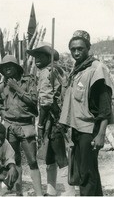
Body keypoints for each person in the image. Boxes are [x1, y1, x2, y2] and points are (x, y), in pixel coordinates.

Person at [59, 30, 114, 196]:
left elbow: (105, 106)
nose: (76, 52)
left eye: (80, 49)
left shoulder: (96, 69)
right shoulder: (77, 70)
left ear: (88, 48)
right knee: (88, 172)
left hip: (90, 130)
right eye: (73, 49)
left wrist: (100, 135)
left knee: (86, 175)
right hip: (78, 129)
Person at [26, 42, 75, 196]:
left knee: (60, 156)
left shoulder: (48, 73)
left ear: (49, 57)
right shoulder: (53, 71)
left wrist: (40, 125)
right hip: (54, 119)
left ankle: (70, 192)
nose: (37, 59)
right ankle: (52, 191)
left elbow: (46, 103)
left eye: (41, 56)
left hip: (53, 119)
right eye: (35, 57)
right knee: (50, 157)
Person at [0, 55, 43, 196]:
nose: (7, 68)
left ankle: (39, 193)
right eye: (4, 67)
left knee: (32, 161)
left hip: (26, 126)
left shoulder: (28, 82)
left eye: (10, 65)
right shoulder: (1, 87)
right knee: (14, 161)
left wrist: (17, 88)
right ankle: (18, 193)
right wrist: (4, 115)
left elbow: (34, 101)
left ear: (17, 67)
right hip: (10, 127)